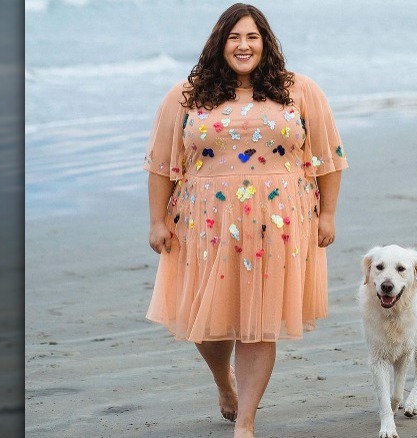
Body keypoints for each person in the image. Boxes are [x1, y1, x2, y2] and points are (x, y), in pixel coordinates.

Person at [142, 3, 348, 437]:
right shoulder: (186, 95)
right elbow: (162, 164)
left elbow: (329, 158)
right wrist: (157, 221)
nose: (243, 45)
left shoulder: (300, 90)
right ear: (219, 44)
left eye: (252, 37)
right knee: (206, 322)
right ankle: (224, 382)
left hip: (279, 223)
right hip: (203, 222)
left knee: (258, 322)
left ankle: (247, 423)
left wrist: (328, 214)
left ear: (265, 43)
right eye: (234, 37)